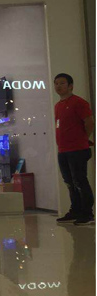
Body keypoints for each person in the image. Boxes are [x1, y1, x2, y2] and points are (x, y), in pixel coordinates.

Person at [54, 73, 95, 225]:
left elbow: (89, 122)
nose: (58, 86)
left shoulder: (79, 102)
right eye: (56, 83)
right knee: (69, 182)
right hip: (63, 150)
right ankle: (75, 210)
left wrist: (83, 139)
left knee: (80, 181)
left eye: (62, 83)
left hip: (77, 149)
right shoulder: (58, 106)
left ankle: (87, 213)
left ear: (70, 86)